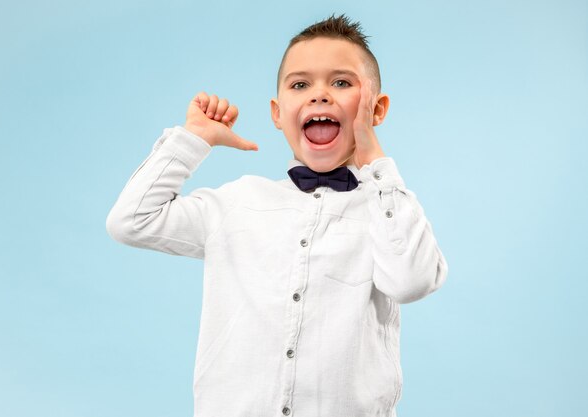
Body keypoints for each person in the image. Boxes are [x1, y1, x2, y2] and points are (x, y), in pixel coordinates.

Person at [106, 13, 448, 417]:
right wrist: (193, 139)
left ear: (376, 108)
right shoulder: (237, 203)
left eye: (341, 82)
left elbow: (412, 281)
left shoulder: (387, 212)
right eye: (300, 84)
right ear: (277, 112)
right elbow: (131, 221)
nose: (319, 95)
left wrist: (372, 153)